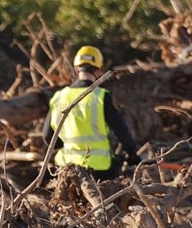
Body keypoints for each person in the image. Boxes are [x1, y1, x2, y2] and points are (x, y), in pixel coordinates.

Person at [43, 45, 139, 180]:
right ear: (99, 71)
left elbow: (47, 138)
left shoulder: (59, 97)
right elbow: (122, 132)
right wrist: (132, 154)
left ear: (76, 69)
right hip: (100, 169)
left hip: (66, 167)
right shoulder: (101, 96)